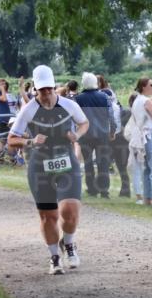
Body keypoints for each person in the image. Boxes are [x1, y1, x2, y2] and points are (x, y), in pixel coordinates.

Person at [7, 65, 89, 274]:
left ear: (54, 87)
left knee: (69, 211)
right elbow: (11, 140)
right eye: (41, 90)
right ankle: (54, 257)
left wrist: (77, 135)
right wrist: (31, 141)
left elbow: (84, 123)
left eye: (49, 89)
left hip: (66, 164)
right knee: (48, 216)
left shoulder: (69, 105)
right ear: (35, 89)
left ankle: (68, 244)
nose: (46, 94)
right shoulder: (28, 110)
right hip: (39, 167)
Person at [74, 72, 116, 199]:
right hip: (102, 134)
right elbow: (111, 116)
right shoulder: (104, 97)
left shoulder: (78, 98)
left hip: (85, 134)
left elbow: (75, 118)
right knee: (103, 162)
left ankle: (91, 189)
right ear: (95, 83)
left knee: (88, 163)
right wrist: (112, 131)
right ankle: (104, 191)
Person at [131, 77, 152, 206]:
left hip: (141, 135)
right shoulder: (146, 101)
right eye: (151, 84)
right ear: (144, 86)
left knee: (147, 168)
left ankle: (147, 198)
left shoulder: (137, 100)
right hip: (149, 134)